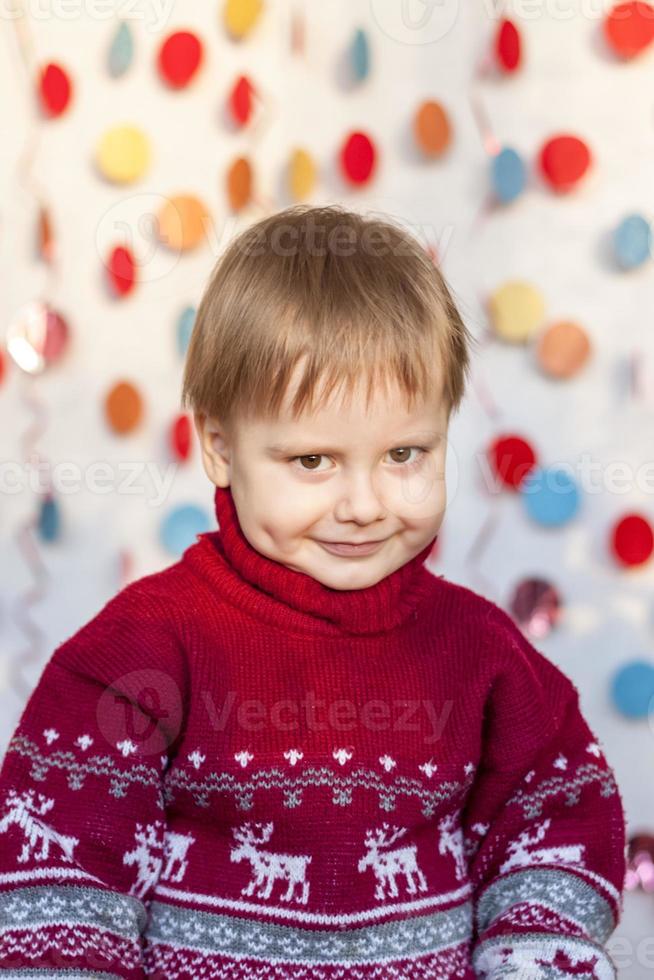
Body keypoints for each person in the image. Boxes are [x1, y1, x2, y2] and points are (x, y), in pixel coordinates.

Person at [0, 205, 626, 979]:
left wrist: (535, 953)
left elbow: (555, 813)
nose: (364, 504)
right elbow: (62, 884)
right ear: (221, 447)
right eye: (312, 462)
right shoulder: (144, 648)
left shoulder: (481, 651)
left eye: (404, 453)